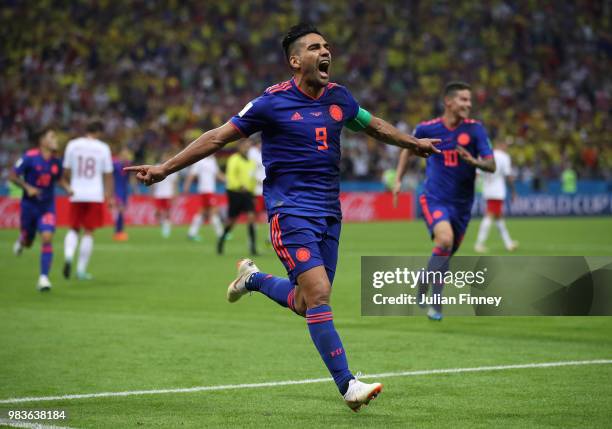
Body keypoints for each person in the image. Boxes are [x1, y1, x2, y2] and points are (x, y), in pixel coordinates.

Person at [126, 23, 439, 411]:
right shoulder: (271, 103)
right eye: (314, 47)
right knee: (320, 293)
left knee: (307, 302)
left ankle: (253, 279)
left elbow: (373, 125)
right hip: (289, 211)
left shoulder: (340, 98)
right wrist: (165, 168)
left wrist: (414, 143)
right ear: (295, 61)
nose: (325, 52)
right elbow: (217, 137)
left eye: (326, 46)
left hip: (329, 214)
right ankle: (348, 385)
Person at [394, 81, 496, 321]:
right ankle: (430, 295)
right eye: (463, 99)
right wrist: (398, 179)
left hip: (462, 205)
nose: (468, 105)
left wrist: (474, 162)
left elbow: (491, 165)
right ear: (448, 102)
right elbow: (407, 148)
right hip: (434, 198)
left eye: (469, 100)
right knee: (445, 240)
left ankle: (431, 294)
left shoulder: (475, 130)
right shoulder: (427, 128)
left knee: (445, 254)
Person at [10, 127, 72, 291]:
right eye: (52, 137)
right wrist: (27, 187)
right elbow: (12, 175)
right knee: (29, 241)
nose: (56, 140)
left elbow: (59, 179)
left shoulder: (56, 161)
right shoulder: (29, 157)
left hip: (47, 207)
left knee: (46, 237)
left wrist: (67, 188)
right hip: (29, 206)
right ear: (42, 141)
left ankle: (44, 278)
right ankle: (22, 240)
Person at [62, 119, 114, 280]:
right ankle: (81, 270)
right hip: (94, 194)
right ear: (99, 132)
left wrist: (71, 184)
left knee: (73, 228)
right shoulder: (103, 148)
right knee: (89, 231)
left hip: (76, 192)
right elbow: (108, 175)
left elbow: (66, 172)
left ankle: (69, 255)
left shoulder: (72, 145)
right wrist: (109, 196)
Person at [474, 138, 518, 252]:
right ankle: (479, 243)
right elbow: (508, 176)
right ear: (501, 144)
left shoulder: (484, 156)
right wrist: (513, 191)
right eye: (506, 144)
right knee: (489, 216)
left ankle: (508, 243)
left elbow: (477, 174)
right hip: (498, 191)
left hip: (487, 189)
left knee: (498, 218)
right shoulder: (504, 157)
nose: (507, 147)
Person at [217, 139, 257, 255]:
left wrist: (252, 192)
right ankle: (221, 241)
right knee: (232, 221)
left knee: (251, 218)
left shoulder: (251, 162)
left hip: (247, 194)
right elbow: (231, 176)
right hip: (235, 192)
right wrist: (240, 186)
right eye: (245, 145)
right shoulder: (234, 159)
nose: (247, 147)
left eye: (248, 145)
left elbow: (252, 179)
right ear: (239, 146)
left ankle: (253, 248)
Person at [183, 154, 224, 242]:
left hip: (210, 190)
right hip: (205, 190)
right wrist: (187, 186)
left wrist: (228, 180)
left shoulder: (213, 160)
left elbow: (217, 174)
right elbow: (192, 175)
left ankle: (191, 233)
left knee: (203, 212)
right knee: (213, 211)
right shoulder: (200, 161)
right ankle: (221, 234)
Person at [151, 150, 179, 238]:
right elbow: (152, 181)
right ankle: (163, 225)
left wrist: (174, 195)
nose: (165, 158)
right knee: (157, 212)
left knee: (167, 212)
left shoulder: (172, 169)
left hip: (168, 194)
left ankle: (166, 230)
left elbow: (174, 183)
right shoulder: (156, 167)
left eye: (167, 157)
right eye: (164, 156)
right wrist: (152, 192)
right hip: (158, 194)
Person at [112, 146, 133, 241]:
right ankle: (118, 232)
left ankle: (119, 231)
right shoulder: (115, 164)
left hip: (124, 190)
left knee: (122, 211)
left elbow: (129, 179)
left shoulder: (128, 165)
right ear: (121, 155)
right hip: (117, 190)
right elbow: (110, 177)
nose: (125, 156)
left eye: (127, 154)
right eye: (124, 154)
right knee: (120, 210)